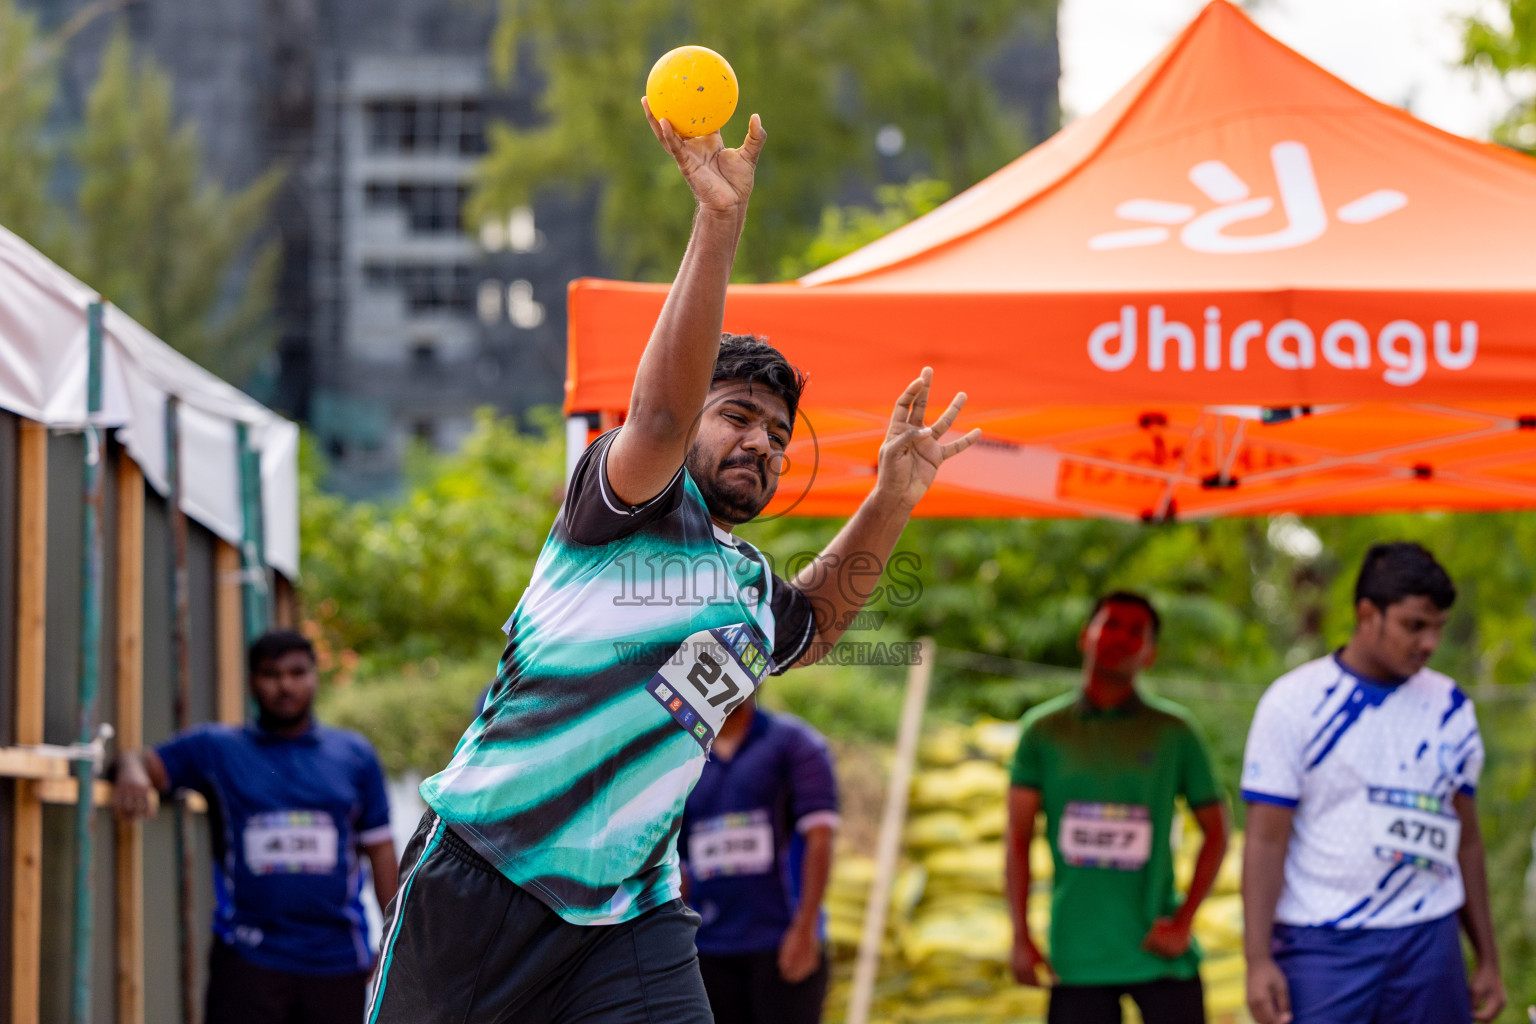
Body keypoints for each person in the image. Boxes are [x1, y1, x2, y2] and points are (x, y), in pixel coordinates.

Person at [363, 97, 979, 1024]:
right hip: (485, 876)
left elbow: (809, 628)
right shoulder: (623, 504)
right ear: (695, 417)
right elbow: (658, 414)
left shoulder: (741, 584)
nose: (763, 444)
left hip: (628, 916)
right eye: (738, 417)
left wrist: (894, 492)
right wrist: (718, 219)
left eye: (778, 435)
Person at [1241, 542, 1505, 1024]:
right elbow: (1264, 838)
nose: (1427, 643)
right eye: (1413, 625)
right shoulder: (1294, 703)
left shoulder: (1450, 707)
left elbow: (1465, 839)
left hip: (1428, 939)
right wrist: (1257, 958)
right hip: (1324, 942)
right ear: (1368, 613)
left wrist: (1487, 955)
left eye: (1438, 629)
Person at [112, 629, 398, 1024]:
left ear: (315, 676)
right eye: (271, 674)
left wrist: (396, 941)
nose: (286, 685)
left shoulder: (355, 754)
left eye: (297, 672)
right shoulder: (217, 748)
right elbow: (139, 760)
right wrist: (131, 774)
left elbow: (380, 850)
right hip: (247, 962)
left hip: (337, 962)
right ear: (251, 681)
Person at [1007, 592, 1230, 1024]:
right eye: (1111, 624)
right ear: (1084, 637)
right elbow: (1016, 840)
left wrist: (1183, 921)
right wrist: (1020, 935)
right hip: (1078, 955)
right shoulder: (1043, 731)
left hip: (1159, 952)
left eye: (1136, 632)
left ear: (1150, 654)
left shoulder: (1176, 733)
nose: (1121, 638)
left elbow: (1218, 832)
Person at [679, 697, 839, 1024]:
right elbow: (676, 860)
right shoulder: (682, 756)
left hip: (782, 944)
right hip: (709, 948)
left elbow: (819, 838)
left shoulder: (793, 743)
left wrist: (806, 928)